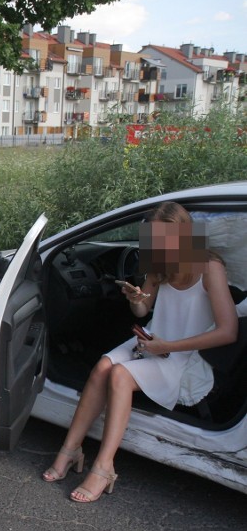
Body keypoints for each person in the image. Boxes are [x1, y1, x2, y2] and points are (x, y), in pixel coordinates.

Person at [41, 201, 237, 503]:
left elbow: (228, 332)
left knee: (119, 374)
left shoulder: (209, 267)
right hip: (151, 342)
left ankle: (104, 467)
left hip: (181, 355)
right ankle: (70, 449)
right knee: (103, 365)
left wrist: (167, 346)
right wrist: (135, 299)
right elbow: (144, 308)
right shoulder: (159, 264)